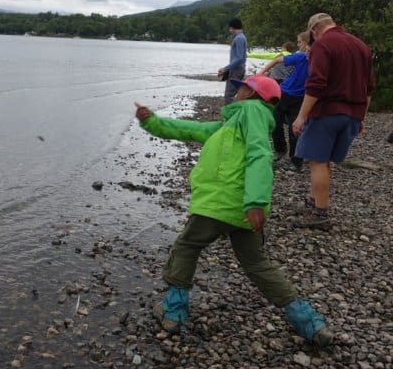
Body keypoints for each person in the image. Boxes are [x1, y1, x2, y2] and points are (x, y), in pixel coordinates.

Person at [134, 74, 333, 346]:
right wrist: (151, 121)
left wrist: (255, 200)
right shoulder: (231, 123)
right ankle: (307, 320)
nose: (238, 90)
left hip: (220, 203)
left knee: (187, 247)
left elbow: (259, 153)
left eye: (243, 87)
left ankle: (173, 310)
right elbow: (187, 129)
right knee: (255, 262)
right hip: (241, 210)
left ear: (252, 95)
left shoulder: (250, 112)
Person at [292, 13, 375, 230]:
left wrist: (301, 116)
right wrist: (361, 117)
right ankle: (314, 201)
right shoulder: (361, 46)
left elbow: (316, 84)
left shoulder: (323, 45)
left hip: (327, 112)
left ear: (314, 31)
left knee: (316, 160)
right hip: (352, 114)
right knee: (324, 158)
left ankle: (321, 214)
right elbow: (369, 87)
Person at [258, 32, 311, 171]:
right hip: (284, 92)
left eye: (300, 42)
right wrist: (261, 72)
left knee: (295, 129)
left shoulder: (316, 60)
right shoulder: (299, 56)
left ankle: (296, 161)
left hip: (300, 98)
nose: (298, 45)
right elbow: (277, 60)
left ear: (307, 44)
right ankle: (280, 149)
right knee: (274, 121)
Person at [218, 18, 247, 104]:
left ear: (233, 28)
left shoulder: (239, 38)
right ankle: (236, 115)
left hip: (236, 70)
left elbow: (239, 58)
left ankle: (232, 116)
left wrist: (225, 68)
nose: (229, 30)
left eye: (230, 28)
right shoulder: (240, 37)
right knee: (234, 95)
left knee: (228, 96)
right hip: (237, 69)